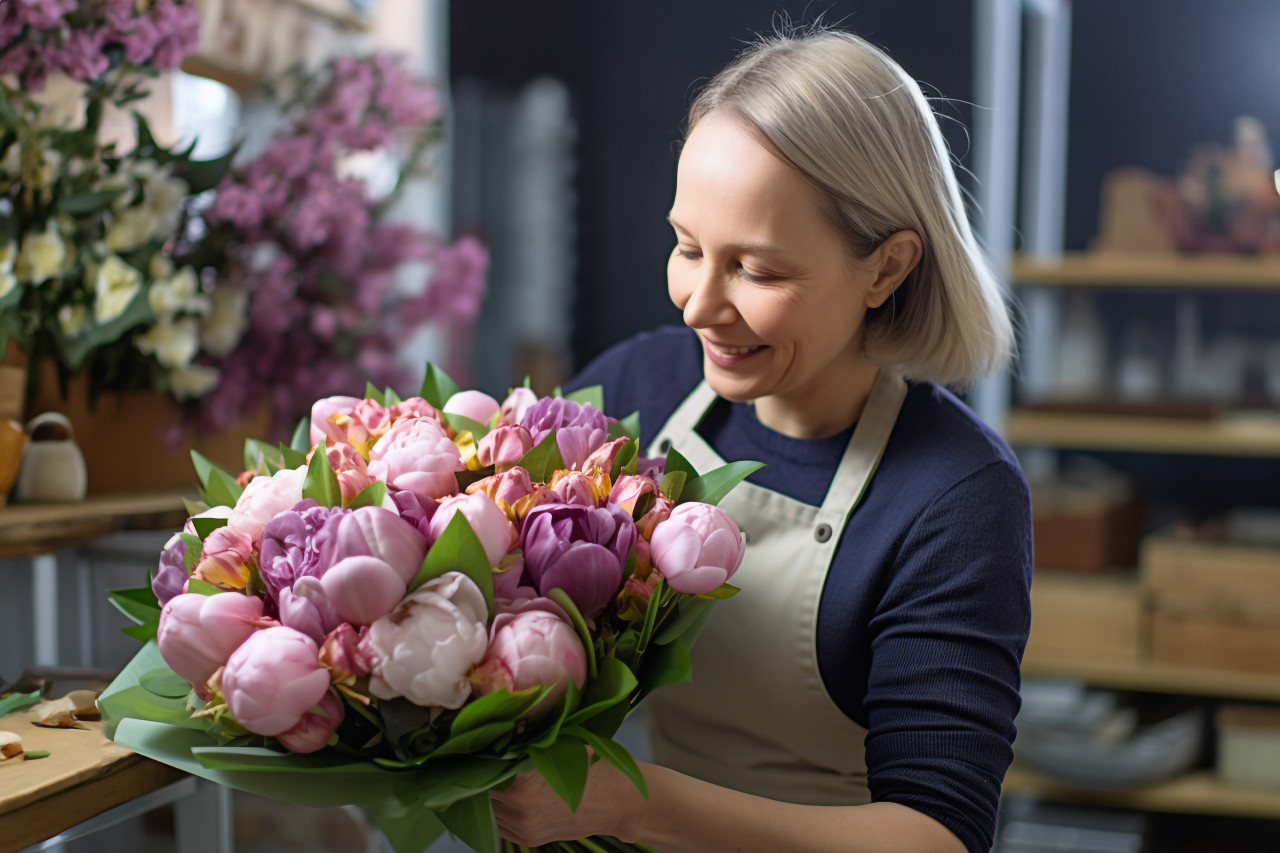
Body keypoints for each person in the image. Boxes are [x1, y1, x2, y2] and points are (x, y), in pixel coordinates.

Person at [490, 26, 1032, 853]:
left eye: (757, 269)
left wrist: (632, 805)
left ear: (886, 268)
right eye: (688, 247)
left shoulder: (953, 495)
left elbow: (937, 836)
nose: (697, 305)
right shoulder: (636, 392)